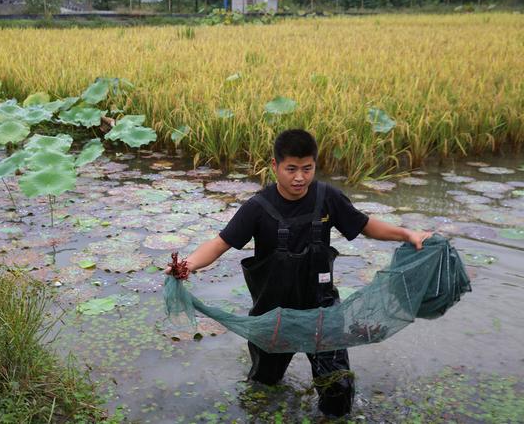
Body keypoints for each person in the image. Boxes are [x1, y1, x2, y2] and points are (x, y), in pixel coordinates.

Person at [166, 129, 432, 417]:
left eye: (307, 169)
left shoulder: (327, 198)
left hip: (322, 313)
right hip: (274, 318)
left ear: (315, 165)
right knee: (263, 387)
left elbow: (365, 225)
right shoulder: (258, 207)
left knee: (338, 391)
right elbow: (219, 244)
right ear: (274, 166)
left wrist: (407, 234)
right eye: (291, 169)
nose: (299, 177)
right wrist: (188, 265)